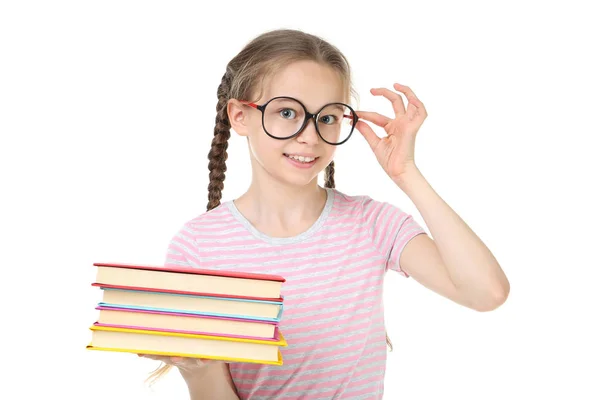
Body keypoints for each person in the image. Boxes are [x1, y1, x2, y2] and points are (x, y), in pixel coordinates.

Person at [138, 28, 510, 399]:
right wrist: (196, 371)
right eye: (287, 112)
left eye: (328, 118)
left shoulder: (372, 223)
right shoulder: (199, 246)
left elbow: (486, 292)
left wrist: (406, 173)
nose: (311, 137)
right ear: (240, 116)